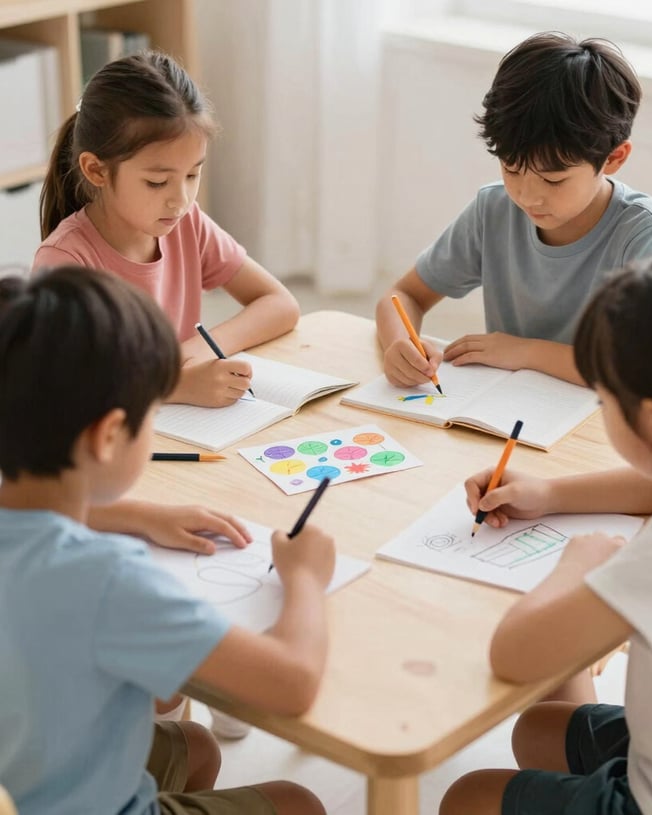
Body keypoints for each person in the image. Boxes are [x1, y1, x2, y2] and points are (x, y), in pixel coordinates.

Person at [439, 249, 652, 815]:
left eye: (605, 400)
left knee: (466, 797)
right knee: (538, 729)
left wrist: (578, 567)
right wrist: (551, 493)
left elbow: (515, 654)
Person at [0, 265, 333, 815]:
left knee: (194, 748)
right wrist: (304, 578)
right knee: (298, 802)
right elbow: (292, 684)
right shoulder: (106, 581)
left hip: (19, 781)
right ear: (108, 436)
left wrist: (133, 516)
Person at [376, 31, 652, 388]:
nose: (527, 196)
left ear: (613, 158)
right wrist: (400, 342)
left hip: (599, 423)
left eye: (554, 181)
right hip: (507, 411)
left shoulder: (644, 232)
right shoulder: (494, 209)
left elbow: (629, 368)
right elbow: (404, 295)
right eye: (511, 169)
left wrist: (524, 351)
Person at [34, 51, 300, 408]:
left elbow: (280, 303)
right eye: (158, 182)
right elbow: (63, 387)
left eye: (192, 174)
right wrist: (173, 383)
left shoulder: (186, 224)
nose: (181, 199)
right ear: (96, 170)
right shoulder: (65, 260)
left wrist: (198, 348)